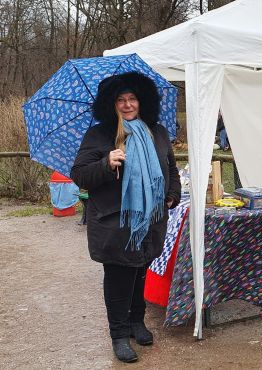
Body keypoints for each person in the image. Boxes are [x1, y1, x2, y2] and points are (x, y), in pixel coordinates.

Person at [71, 72, 181, 363]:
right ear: (111, 104)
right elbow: (80, 175)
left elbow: (170, 167)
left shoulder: (156, 131)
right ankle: (119, 335)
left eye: (132, 98)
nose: (127, 104)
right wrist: (106, 163)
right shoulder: (99, 135)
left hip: (150, 221)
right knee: (119, 277)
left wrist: (172, 194)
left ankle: (136, 322)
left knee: (140, 271)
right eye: (120, 100)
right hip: (115, 222)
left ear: (142, 101)